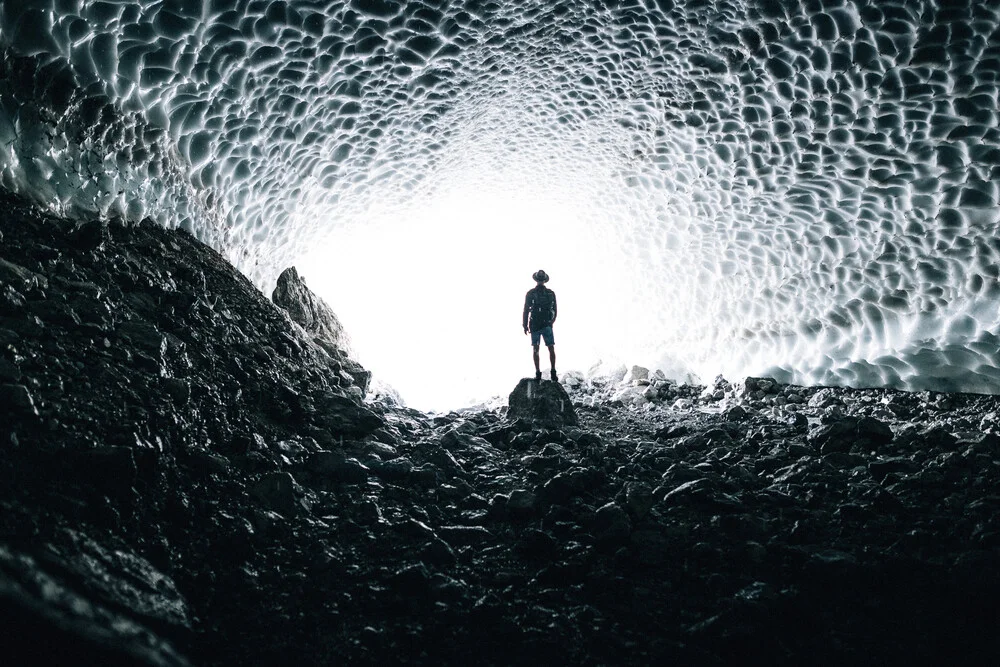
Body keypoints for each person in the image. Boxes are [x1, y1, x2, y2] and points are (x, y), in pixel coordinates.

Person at [522, 269, 558, 382]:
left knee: (536, 349)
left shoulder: (531, 293)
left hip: (534, 325)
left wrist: (525, 325)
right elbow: (555, 310)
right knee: (551, 347)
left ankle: (538, 373)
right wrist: (551, 322)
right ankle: (553, 372)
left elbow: (526, 310)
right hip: (547, 324)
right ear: (544, 280)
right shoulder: (550, 293)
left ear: (536, 280)